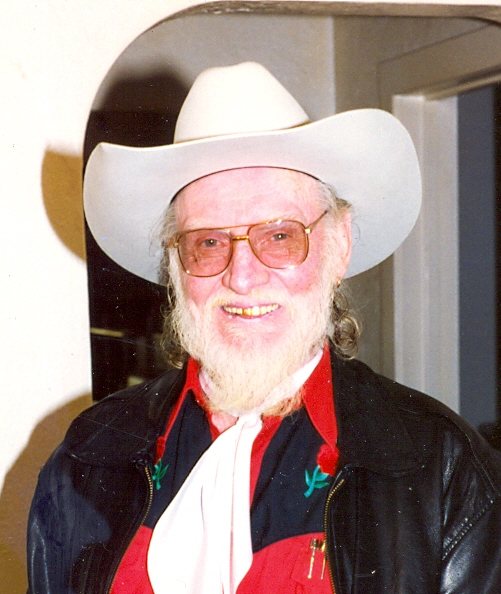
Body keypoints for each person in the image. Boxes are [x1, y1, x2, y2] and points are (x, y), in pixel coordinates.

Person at [27, 62, 501, 594]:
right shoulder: (87, 458)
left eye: (279, 236)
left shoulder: (445, 472)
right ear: (175, 264)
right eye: (208, 243)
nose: (242, 277)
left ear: (339, 244)